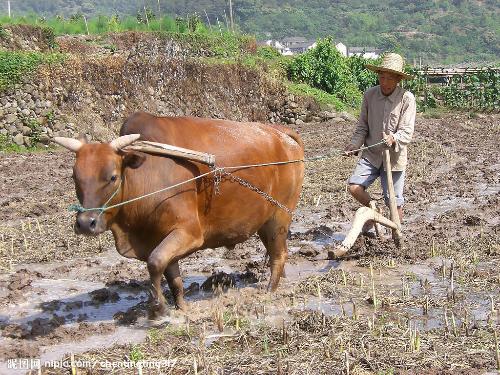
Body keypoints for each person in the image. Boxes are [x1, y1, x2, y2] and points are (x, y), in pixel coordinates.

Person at [344, 52, 416, 233]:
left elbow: (407, 131)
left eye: (389, 78)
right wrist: (354, 144)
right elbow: (362, 126)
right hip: (371, 154)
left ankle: (397, 234)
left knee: (394, 200)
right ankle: (374, 208)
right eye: (381, 77)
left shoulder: (407, 99)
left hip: (394, 157)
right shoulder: (369, 95)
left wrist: (394, 138)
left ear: (398, 79)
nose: (384, 82)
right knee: (354, 187)